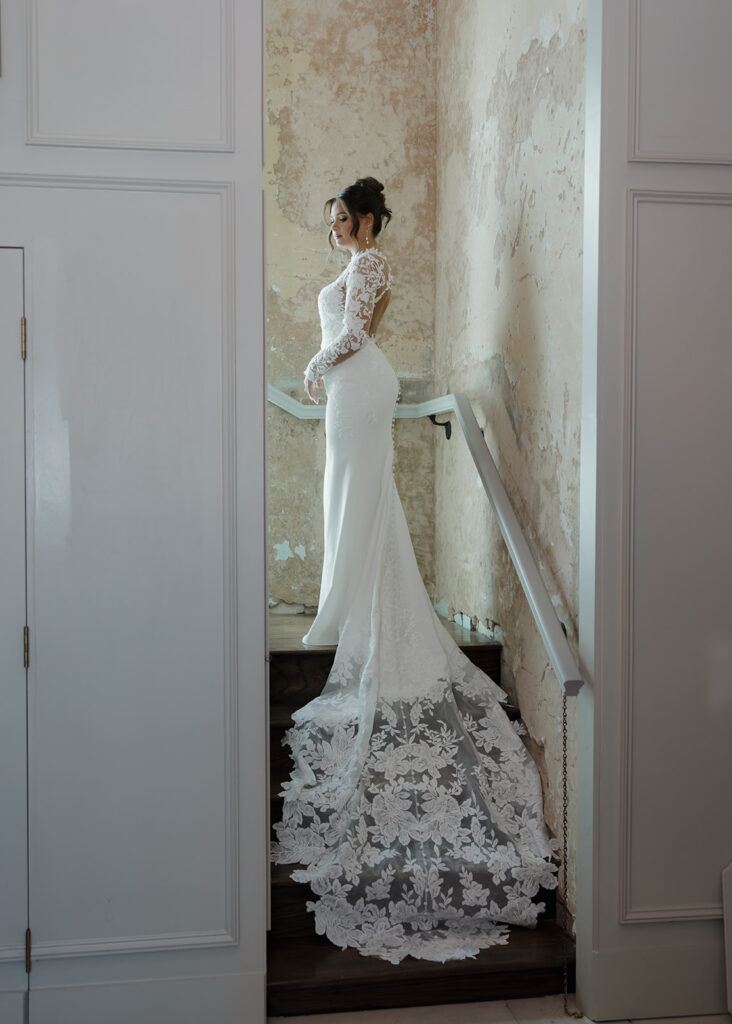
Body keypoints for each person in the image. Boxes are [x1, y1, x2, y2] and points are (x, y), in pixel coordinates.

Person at [271, 177, 558, 964]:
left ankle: (352, 610)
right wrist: (320, 369)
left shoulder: (373, 265)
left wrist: (311, 364)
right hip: (347, 392)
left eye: (340, 219)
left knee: (357, 492)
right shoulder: (355, 263)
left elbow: (356, 336)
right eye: (328, 220)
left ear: (364, 218)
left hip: (357, 387)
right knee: (350, 495)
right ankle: (342, 604)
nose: (333, 230)